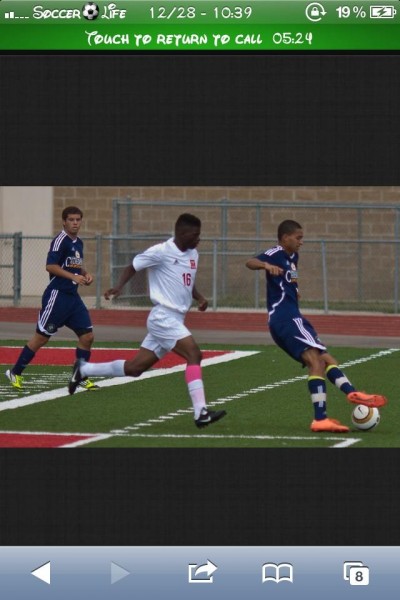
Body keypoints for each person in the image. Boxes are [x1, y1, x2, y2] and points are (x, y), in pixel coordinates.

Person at [68, 213, 227, 429]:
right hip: (163, 317)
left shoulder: (193, 254)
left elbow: (186, 280)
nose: (198, 238)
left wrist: (198, 297)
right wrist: (118, 287)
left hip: (175, 319)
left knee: (135, 368)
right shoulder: (161, 251)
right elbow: (133, 266)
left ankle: (84, 369)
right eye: (195, 234)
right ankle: (201, 412)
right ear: (181, 233)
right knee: (194, 354)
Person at [245, 219, 387, 433]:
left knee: (326, 358)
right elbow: (250, 262)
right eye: (298, 238)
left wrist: (295, 288)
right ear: (285, 238)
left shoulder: (294, 256)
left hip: (294, 316)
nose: (301, 242)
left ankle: (353, 393)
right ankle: (320, 418)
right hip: (286, 318)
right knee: (316, 362)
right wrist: (265, 265)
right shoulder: (275, 252)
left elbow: (292, 275)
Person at [5, 206, 98, 391]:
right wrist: (73, 277)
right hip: (57, 296)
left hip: (73, 298)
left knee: (87, 336)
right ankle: (15, 372)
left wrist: (85, 274)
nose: (75, 223)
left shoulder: (78, 242)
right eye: (71, 220)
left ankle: (79, 376)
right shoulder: (60, 240)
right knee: (41, 338)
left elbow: (74, 266)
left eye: (78, 220)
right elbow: (50, 266)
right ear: (64, 221)